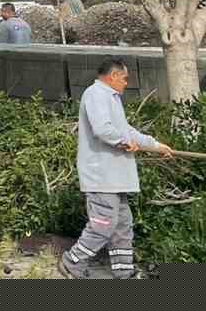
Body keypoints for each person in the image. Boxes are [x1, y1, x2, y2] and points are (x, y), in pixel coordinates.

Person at [59, 58, 173, 279]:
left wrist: (156, 145)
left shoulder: (110, 98)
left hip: (116, 178)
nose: (126, 83)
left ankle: (124, 273)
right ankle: (72, 262)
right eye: (125, 78)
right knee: (103, 225)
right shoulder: (95, 94)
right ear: (113, 76)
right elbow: (103, 129)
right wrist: (122, 141)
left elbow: (126, 130)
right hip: (101, 176)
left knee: (122, 227)